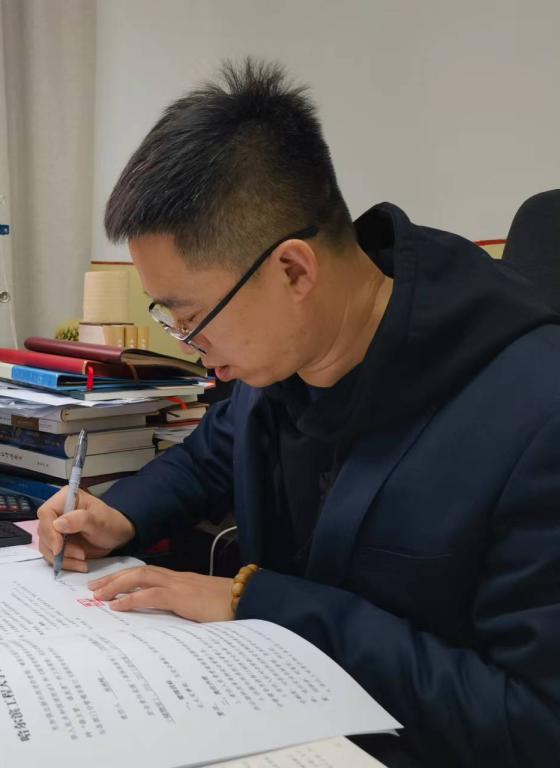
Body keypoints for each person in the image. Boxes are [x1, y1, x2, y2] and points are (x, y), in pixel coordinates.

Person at [37, 59, 560, 766]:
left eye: (192, 319)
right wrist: (119, 514)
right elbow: (211, 454)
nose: (191, 347)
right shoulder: (283, 355)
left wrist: (258, 602)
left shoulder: (534, 412)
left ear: (293, 270)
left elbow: (534, 724)